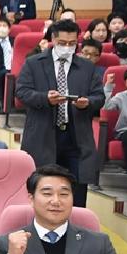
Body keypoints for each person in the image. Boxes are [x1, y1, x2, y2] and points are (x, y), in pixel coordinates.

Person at [16, 19, 104, 207]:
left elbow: (99, 96)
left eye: (72, 44)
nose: (67, 47)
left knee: (77, 191)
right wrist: (45, 98)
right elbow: (22, 92)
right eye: (63, 43)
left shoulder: (86, 66)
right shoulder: (34, 63)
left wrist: (87, 103)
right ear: (53, 40)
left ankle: (76, 230)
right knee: (43, 185)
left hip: (76, 135)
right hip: (44, 133)